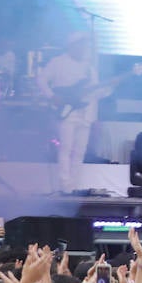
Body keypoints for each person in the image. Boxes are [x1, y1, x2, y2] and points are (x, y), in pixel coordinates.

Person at [36, 32, 99, 195]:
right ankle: (64, 185)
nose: (83, 49)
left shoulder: (89, 67)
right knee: (66, 148)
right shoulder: (58, 62)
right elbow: (41, 80)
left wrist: (109, 87)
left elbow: (96, 90)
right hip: (67, 112)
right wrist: (52, 96)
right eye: (80, 45)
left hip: (85, 113)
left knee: (79, 152)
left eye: (84, 46)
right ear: (71, 46)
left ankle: (74, 186)